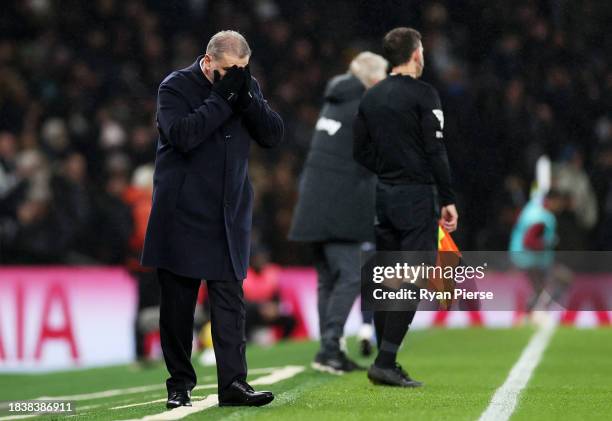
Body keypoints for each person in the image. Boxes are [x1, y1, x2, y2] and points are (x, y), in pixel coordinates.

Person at [141, 30, 283, 409]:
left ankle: (234, 384)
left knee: (229, 304)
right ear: (208, 62)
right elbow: (183, 135)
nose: (234, 76)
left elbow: (272, 134)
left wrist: (246, 97)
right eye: (226, 70)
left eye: (241, 70)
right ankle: (179, 385)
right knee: (178, 306)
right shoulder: (175, 87)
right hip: (182, 214)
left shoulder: (243, 86)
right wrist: (223, 98)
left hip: (227, 214)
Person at [353, 27, 458, 387]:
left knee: (387, 276)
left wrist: (387, 170)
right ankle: (384, 361)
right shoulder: (424, 94)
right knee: (412, 276)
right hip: (415, 195)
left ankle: (386, 361)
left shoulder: (372, 96)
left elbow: (359, 151)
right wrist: (447, 198)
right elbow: (436, 150)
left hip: (383, 195)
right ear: (416, 54)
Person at [289, 52, 388, 374]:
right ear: (373, 80)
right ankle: (331, 348)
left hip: (312, 205)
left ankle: (327, 350)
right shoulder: (365, 106)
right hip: (340, 207)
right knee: (348, 276)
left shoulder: (334, 100)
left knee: (327, 281)